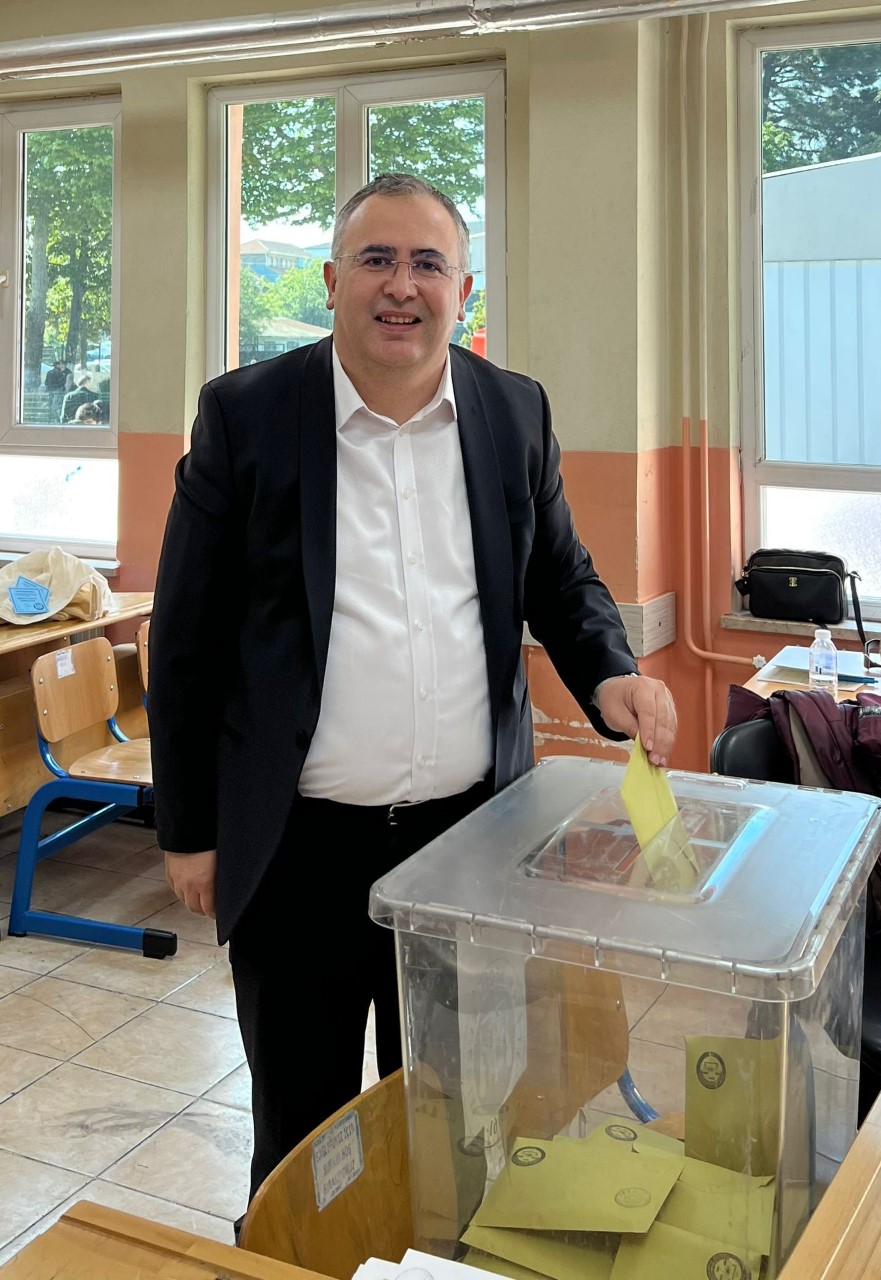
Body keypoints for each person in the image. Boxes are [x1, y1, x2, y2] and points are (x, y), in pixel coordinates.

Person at [149, 173, 677, 1206]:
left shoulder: (512, 411)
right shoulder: (248, 416)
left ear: (463, 289)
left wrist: (611, 671)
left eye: (428, 263)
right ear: (331, 279)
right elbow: (185, 637)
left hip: (467, 847)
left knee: (455, 1122)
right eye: (377, 260)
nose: (402, 285)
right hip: (298, 852)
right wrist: (189, 830)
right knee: (303, 1135)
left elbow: (559, 576)